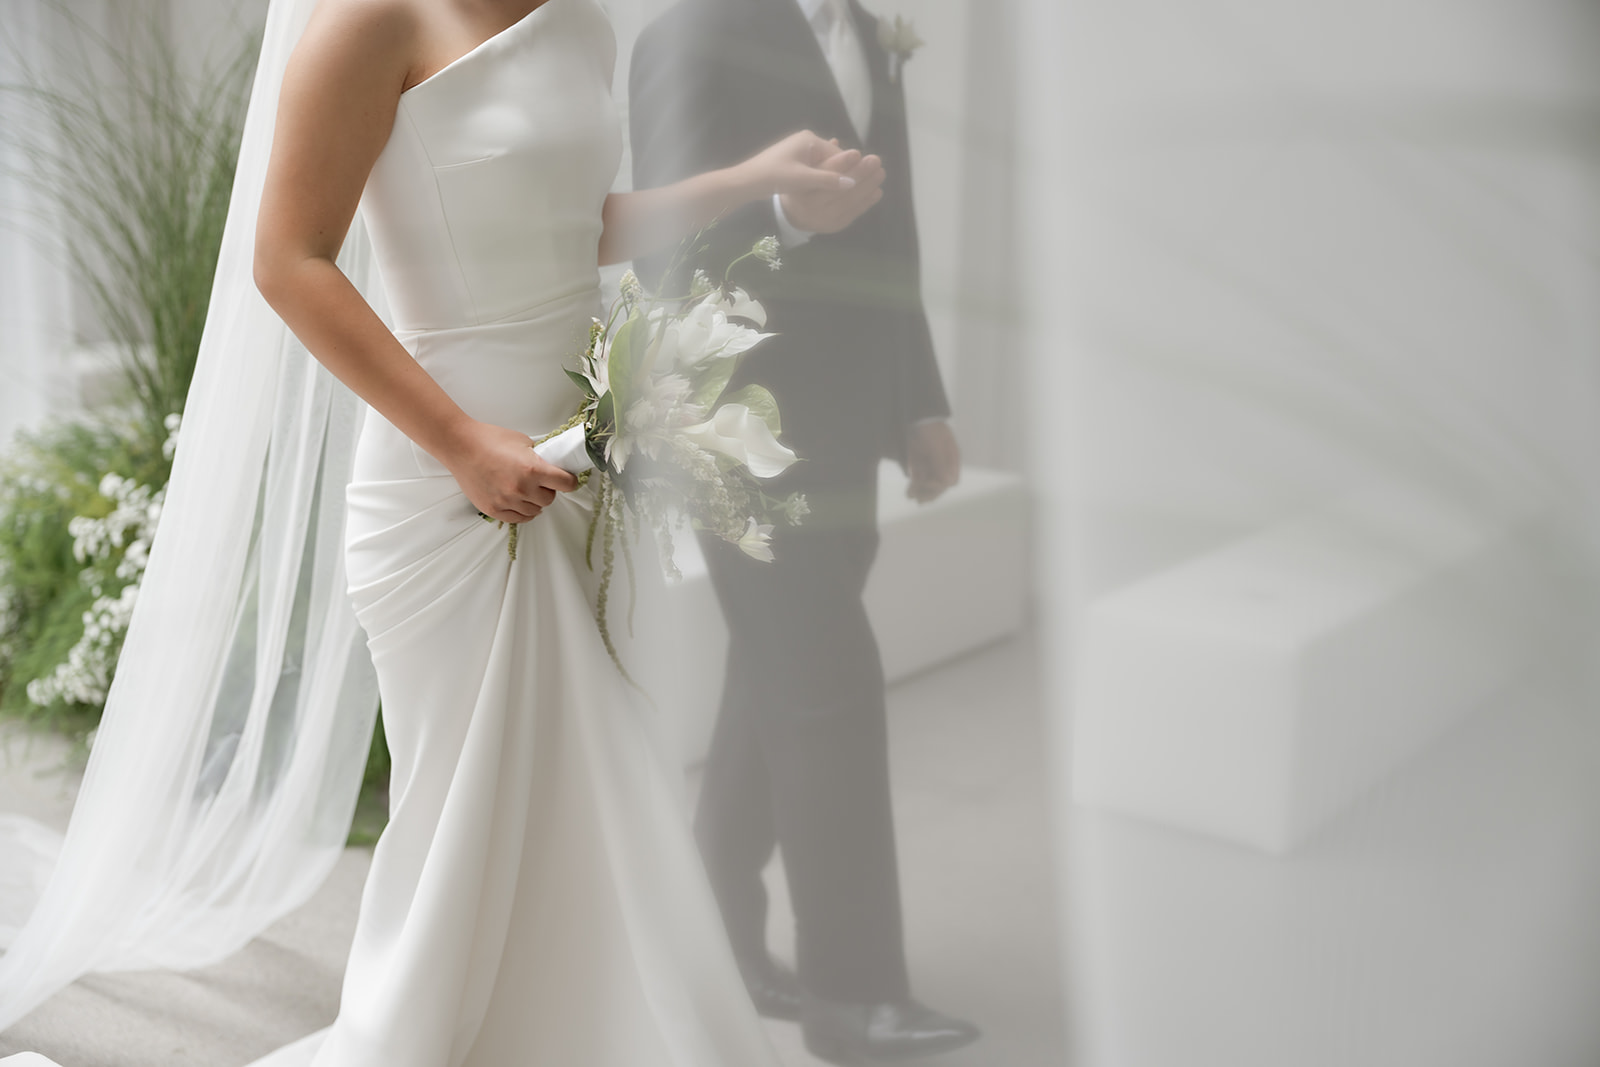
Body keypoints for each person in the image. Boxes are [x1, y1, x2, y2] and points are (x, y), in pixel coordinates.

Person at [0, 0, 889, 1063]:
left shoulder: (580, 22)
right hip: (440, 485)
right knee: (464, 807)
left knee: (583, 787)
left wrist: (754, 181)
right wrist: (461, 440)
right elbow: (290, 259)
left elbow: (577, 222)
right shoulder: (365, 23)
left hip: (567, 464)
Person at [629, 0, 976, 1063]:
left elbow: (892, 223)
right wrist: (783, 221)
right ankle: (851, 992)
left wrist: (919, 398)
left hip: (849, 415)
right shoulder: (685, 34)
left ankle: (718, 930)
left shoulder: (873, 34)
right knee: (828, 680)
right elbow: (662, 258)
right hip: (737, 419)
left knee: (780, 675)